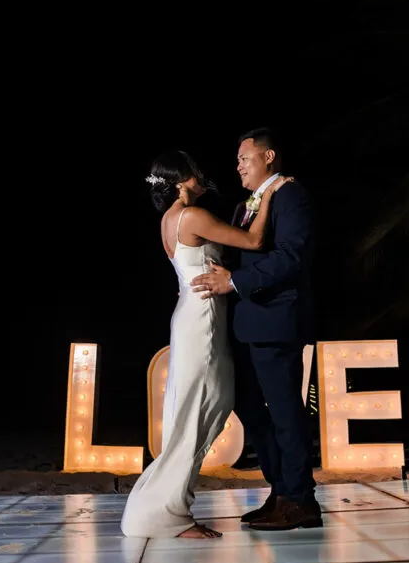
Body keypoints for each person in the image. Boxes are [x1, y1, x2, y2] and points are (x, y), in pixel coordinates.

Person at [120, 150, 291, 539]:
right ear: (181, 179)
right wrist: (268, 194)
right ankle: (168, 514)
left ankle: (162, 507)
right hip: (202, 320)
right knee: (202, 409)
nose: (201, 174)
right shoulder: (192, 216)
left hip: (190, 315)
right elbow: (254, 239)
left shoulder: (169, 219)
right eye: (194, 171)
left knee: (200, 409)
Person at [190, 128, 321, 531]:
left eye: (245, 158)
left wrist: (233, 282)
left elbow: (291, 257)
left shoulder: (291, 195)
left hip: (277, 320)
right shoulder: (249, 203)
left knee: (285, 414)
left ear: (269, 157)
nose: (238, 166)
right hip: (248, 324)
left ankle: (300, 500)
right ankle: (280, 489)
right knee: (250, 410)